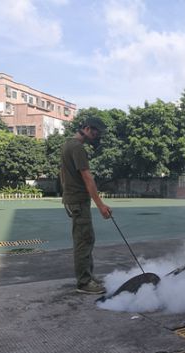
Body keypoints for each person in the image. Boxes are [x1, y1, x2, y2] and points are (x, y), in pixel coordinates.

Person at [61, 117, 112, 294]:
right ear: (88, 128)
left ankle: (87, 276)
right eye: (96, 132)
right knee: (84, 240)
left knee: (86, 238)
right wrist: (101, 205)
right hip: (77, 200)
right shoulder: (77, 148)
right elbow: (87, 178)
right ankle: (84, 282)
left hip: (73, 199)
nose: (97, 136)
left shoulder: (68, 144)